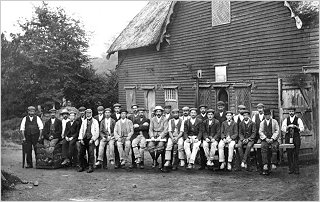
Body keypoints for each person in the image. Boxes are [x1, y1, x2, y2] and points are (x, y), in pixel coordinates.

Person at [281, 107, 304, 174]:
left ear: (294, 112)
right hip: (288, 137)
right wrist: (288, 127)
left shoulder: (298, 119)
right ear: (288, 112)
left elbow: (302, 128)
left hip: (296, 137)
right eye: (290, 111)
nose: (291, 112)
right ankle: (291, 169)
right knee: (289, 153)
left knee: (296, 153)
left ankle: (296, 169)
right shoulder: (286, 120)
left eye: (292, 111)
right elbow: (283, 128)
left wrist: (296, 127)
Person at [259, 108, 280, 175]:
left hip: (273, 139)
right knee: (263, 147)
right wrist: (265, 138)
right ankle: (265, 164)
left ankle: (273, 163)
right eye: (265, 115)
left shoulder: (274, 122)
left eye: (268, 115)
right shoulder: (262, 123)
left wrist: (272, 138)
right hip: (265, 139)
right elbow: (260, 132)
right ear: (264, 116)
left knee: (274, 146)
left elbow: (277, 130)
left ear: (270, 115)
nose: (267, 116)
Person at [251, 103, 265, 173]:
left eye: (261, 108)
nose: (260, 110)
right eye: (258, 108)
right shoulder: (255, 117)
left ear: (263, 108)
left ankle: (266, 166)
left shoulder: (267, 116)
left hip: (264, 137)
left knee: (265, 151)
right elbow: (253, 127)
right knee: (258, 152)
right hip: (257, 136)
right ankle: (259, 167)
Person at [196, 104, 208, 170]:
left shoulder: (208, 116)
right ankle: (202, 164)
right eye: (201, 109)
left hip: (207, 135)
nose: (203, 110)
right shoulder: (198, 117)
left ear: (206, 109)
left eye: (204, 108)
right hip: (200, 135)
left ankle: (208, 162)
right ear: (200, 110)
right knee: (201, 149)